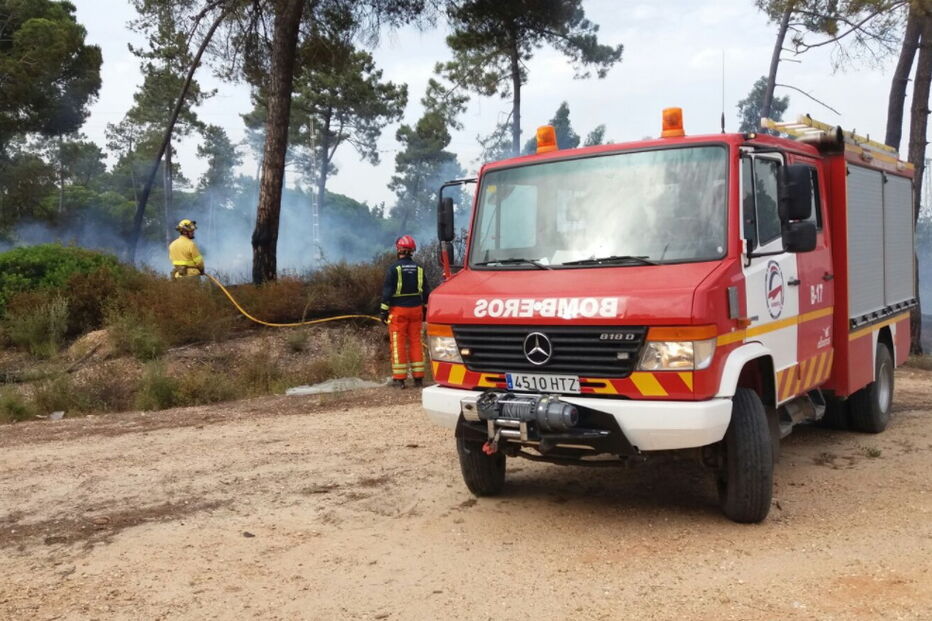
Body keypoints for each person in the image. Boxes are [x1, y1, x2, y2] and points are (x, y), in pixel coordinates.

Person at [380, 235, 431, 388]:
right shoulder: (420, 269)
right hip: (416, 311)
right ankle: (418, 378)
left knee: (398, 343)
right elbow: (427, 292)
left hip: (399, 311)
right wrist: (424, 309)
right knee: (416, 342)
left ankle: (400, 379)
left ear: (399, 250)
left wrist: (383, 311)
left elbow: (387, 292)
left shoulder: (394, 269)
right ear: (412, 251)